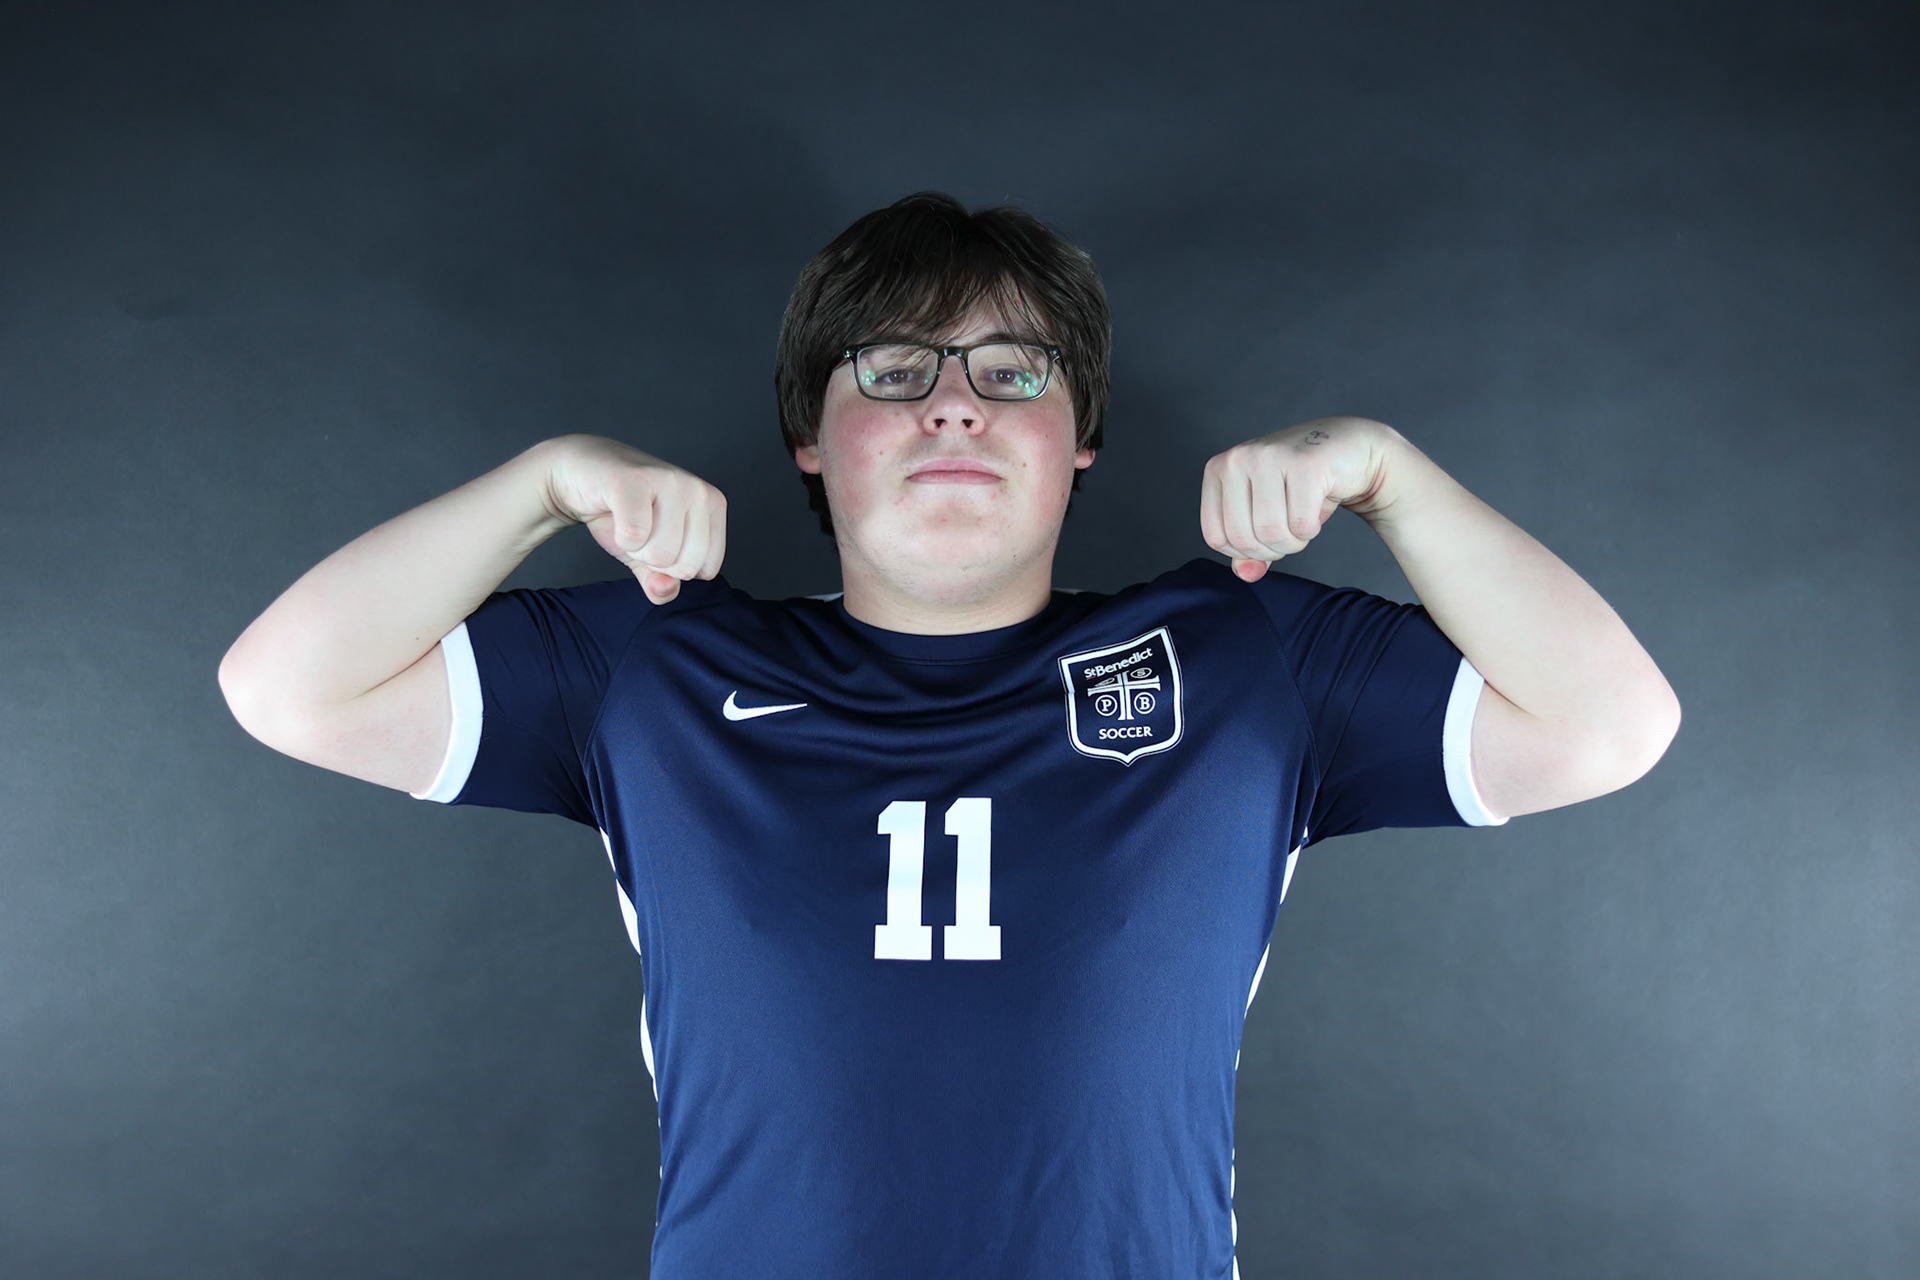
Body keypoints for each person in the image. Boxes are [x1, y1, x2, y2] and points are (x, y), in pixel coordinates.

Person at [218, 192, 1680, 1279]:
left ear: (1082, 429)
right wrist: (541, 486)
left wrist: (1391, 478)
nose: (953, 411)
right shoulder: (661, 661)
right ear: (811, 430)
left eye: (1012, 370)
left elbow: (1609, 722)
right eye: (895, 371)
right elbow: (290, 687)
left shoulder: (1243, 652)